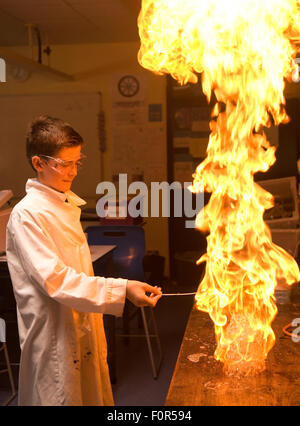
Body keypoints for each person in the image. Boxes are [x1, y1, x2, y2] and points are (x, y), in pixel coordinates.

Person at [6, 115, 162, 406]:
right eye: (64, 164)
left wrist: (121, 288)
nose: (74, 172)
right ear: (38, 163)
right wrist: (123, 288)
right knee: (60, 396)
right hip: (54, 336)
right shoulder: (27, 214)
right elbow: (56, 281)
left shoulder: (63, 203)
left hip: (79, 327)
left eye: (78, 162)